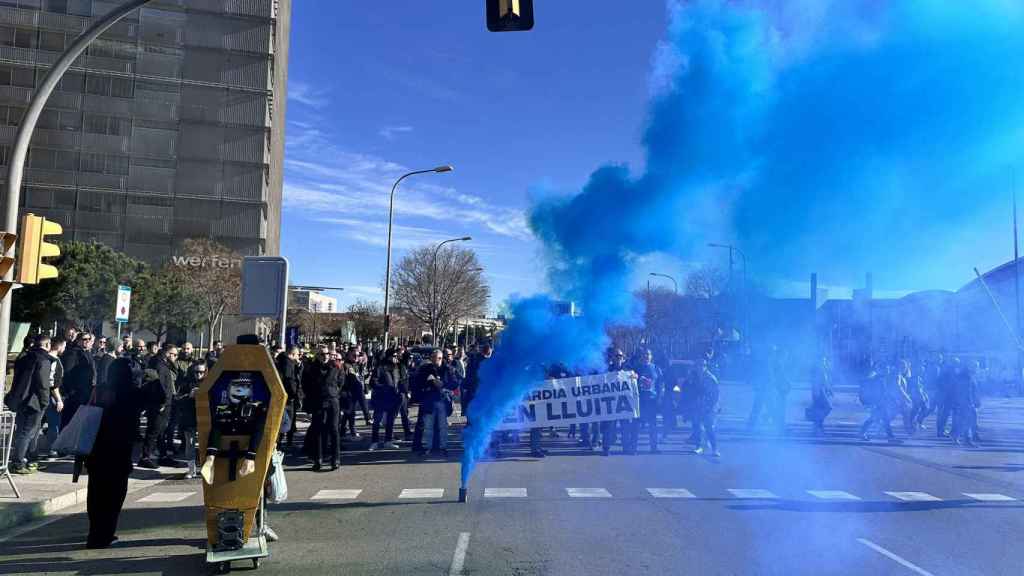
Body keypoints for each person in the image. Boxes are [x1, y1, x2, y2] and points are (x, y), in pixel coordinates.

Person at [85, 356, 142, 548]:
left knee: (95, 493)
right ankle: (105, 533)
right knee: (114, 495)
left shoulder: (100, 389)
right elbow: (158, 395)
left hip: (96, 447)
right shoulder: (131, 393)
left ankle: (94, 532)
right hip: (119, 449)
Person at [6, 334, 57, 474]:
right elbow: (43, 384)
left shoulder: (25, 357)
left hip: (21, 400)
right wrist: (45, 401)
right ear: (47, 345)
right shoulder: (43, 360)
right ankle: (17, 463)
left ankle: (31, 460)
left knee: (28, 432)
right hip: (34, 402)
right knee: (27, 433)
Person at [138, 345, 179, 469]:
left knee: (161, 431)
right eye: (174, 354)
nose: (175, 357)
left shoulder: (164, 363)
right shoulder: (159, 365)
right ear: (168, 353)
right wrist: (163, 403)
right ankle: (145, 457)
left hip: (165, 402)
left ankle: (163, 456)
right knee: (154, 430)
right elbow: (159, 386)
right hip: (159, 404)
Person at [415, 349, 455, 457]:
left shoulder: (448, 368)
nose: (434, 360)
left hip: (442, 400)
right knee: (428, 426)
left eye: (437, 358)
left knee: (443, 426)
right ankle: (428, 447)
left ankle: (443, 447)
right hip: (429, 401)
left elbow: (454, 383)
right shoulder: (426, 368)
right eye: (432, 357)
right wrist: (428, 384)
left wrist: (443, 384)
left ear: (441, 358)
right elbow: (417, 382)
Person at [60, 332, 96, 429]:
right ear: (79, 341)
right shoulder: (73, 353)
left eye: (89, 339)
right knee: (69, 422)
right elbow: (67, 373)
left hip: (86, 392)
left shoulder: (87, 353)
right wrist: (71, 391)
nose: (88, 341)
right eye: (85, 339)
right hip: (75, 394)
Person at [369, 348, 402, 450]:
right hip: (381, 398)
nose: (396, 358)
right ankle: (374, 442)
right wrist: (384, 387)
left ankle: (388, 440)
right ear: (389, 356)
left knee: (390, 421)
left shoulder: (396, 368)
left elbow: (398, 381)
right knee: (377, 421)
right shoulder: (380, 367)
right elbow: (373, 382)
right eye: (394, 356)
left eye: (397, 356)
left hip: (393, 398)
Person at [632, 349, 662, 454]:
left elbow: (660, 385)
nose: (646, 356)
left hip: (652, 401)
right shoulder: (636, 368)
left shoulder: (656, 368)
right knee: (635, 426)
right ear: (641, 356)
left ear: (651, 356)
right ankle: (633, 448)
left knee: (653, 426)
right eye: (644, 354)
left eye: (648, 354)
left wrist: (659, 398)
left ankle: (654, 448)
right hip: (639, 401)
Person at [178, 362, 206, 478]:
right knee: (190, 444)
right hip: (189, 418)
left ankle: (205, 469)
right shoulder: (186, 383)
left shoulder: (209, 383)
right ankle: (191, 470)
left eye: (202, 372)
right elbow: (178, 399)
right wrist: (189, 395)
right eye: (196, 372)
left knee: (205, 444)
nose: (199, 374)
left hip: (204, 418)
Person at [44, 337, 67, 456]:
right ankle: (52, 449)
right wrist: (58, 399)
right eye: (64, 346)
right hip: (51, 397)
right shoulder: (53, 360)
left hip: (46, 396)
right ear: (58, 347)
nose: (65, 349)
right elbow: (52, 383)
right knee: (54, 424)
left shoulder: (47, 358)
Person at [275, 346, 302, 449]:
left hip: (283, 395)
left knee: (284, 420)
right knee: (287, 421)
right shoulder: (288, 363)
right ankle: (282, 442)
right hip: (288, 397)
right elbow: (290, 380)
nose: (298, 357)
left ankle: (281, 442)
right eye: (298, 355)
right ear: (293, 354)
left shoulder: (282, 361)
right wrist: (296, 394)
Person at [693, 358, 721, 457]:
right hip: (697, 406)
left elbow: (716, 393)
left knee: (709, 428)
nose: (700, 367)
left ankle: (715, 449)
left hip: (709, 406)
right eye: (698, 365)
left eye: (703, 365)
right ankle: (699, 446)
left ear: (706, 366)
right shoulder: (693, 377)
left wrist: (713, 406)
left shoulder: (710, 378)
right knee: (697, 427)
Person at [341, 348, 371, 437]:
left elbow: (361, 377)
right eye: (354, 355)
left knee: (350, 412)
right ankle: (366, 418)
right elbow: (346, 379)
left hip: (355, 391)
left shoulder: (356, 365)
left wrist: (365, 370)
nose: (356, 357)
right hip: (348, 391)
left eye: (357, 355)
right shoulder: (346, 365)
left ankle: (346, 430)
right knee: (349, 412)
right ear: (349, 355)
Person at [953, 361, 982, 447]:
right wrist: (971, 402)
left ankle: (957, 436)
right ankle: (966, 439)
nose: (977, 368)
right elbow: (966, 392)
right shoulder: (966, 377)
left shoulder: (967, 376)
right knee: (967, 421)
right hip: (965, 403)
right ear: (969, 367)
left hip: (965, 402)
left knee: (966, 420)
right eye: (975, 366)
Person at [808, 355, 834, 435]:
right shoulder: (819, 370)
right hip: (819, 391)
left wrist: (829, 390)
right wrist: (817, 393)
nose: (825, 362)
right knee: (827, 407)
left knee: (819, 409)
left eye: (825, 361)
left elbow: (825, 382)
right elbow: (817, 383)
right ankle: (818, 425)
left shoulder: (823, 370)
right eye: (823, 361)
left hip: (821, 391)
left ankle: (818, 429)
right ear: (818, 362)